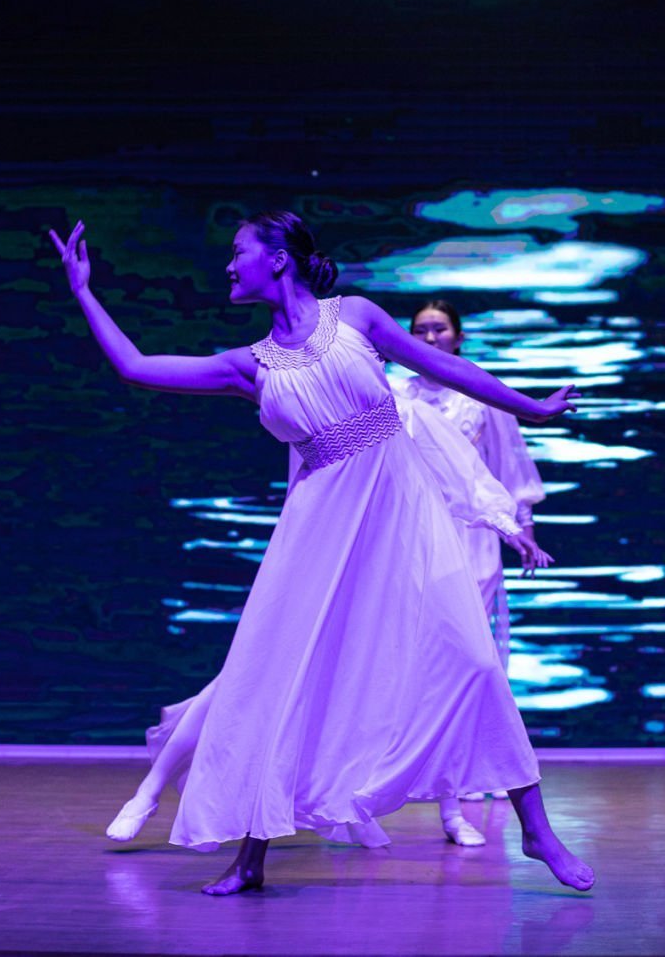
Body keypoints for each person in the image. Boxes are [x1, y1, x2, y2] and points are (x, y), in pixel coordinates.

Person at [49, 211, 594, 896]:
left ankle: (535, 830)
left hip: (402, 518)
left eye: (238, 252)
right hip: (316, 533)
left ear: (278, 258)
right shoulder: (250, 364)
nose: (228, 265)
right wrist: (83, 291)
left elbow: (448, 368)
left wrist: (532, 408)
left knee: (478, 662)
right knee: (281, 681)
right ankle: (251, 856)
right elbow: (136, 367)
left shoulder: (356, 317)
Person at [103, 385, 547, 850]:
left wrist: (510, 526)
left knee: (397, 686)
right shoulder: (318, 415)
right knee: (244, 682)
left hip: (393, 569)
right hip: (326, 564)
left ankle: (382, 807)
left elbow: (463, 475)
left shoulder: (402, 414)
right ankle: (150, 789)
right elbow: (304, 493)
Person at [393, 299, 551, 830]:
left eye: (439, 329)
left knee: (472, 661)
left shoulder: (479, 392)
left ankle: (470, 783)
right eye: (419, 330)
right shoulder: (396, 394)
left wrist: (522, 531)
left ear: (458, 337)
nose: (429, 338)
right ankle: (435, 788)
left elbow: (510, 467)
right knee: (421, 659)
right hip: (414, 537)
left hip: (474, 538)